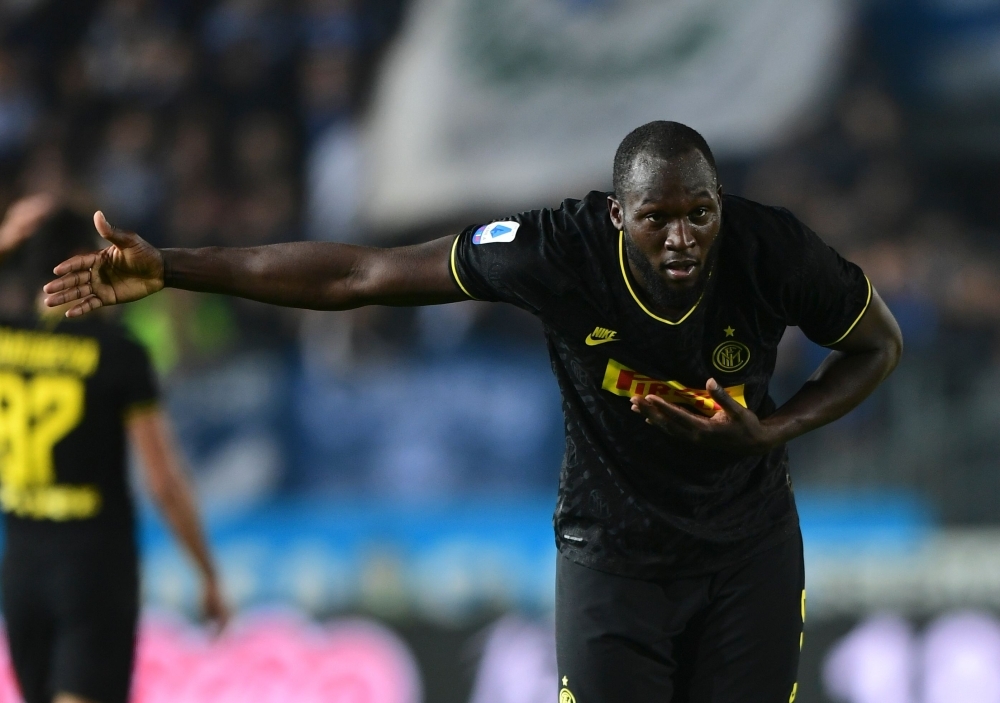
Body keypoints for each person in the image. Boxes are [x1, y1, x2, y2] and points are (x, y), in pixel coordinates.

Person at [44, 121, 902, 702]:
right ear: (616, 216)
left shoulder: (773, 250)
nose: (681, 237)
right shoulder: (555, 252)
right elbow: (361, 276)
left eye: (699, 214)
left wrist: (774, 427)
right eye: (657, 218)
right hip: (612, 556)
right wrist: (175, 267)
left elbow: (878, 344)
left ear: (721, 206)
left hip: (745, 555)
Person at [0, 196, 229, 703]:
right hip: (94, 570)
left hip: (20, 570)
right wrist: (207, 574)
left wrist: (4, 245)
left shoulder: (5, 340)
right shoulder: (118, 353)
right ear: (84, 258)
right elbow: (164, 482)